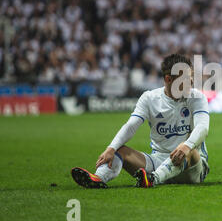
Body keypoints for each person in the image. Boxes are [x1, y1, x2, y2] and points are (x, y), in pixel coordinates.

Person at [71, 54, 210, 188]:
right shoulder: (149, 98)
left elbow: (202, 127)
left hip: (191, 167)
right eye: (185, 78)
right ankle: (98, 178)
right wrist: (111, 148)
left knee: (190, 150)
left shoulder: (196, 97)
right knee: (120, 150)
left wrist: (187, 146)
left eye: (191, 77)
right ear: (168, 79)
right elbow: (131, 125)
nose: (191, 81)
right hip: (158, 161)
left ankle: (153, 179)